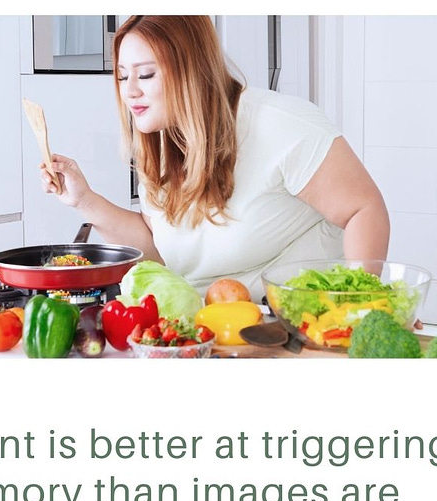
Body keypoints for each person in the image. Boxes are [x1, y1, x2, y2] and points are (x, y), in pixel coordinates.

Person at [42, 15, 389, 297]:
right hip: (209, 334)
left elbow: (364, 209)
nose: (130, 91)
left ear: (191, 70)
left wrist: (356, 306)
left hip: (293, 326)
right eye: (122, 76)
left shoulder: (281, 125)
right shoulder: (164, 143)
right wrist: (84, 200)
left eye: (146, 74)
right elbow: (160, 251)